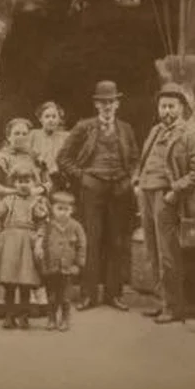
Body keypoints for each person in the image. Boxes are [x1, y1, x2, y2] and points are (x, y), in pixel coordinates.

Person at [57, 80, 139, 311]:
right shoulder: (84, 127)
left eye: (111, 101)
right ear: (96, 104)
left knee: (116, 241)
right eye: (103, 102)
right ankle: (88, 295)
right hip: (92, 189)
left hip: (119, 190)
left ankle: (114, 294)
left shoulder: (126, 129)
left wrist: (130, 179)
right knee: (90, 241)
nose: (107, 106)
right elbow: (63, 158)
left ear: (117, 104)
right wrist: (82, 177)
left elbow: (135, 158)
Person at [133, 82, 195, 324]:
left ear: (182, 108)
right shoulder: (155, 131)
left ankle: (174, 308)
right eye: (163, 106)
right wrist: (137, 182)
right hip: (146, 194)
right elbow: (144, 161)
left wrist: (175, 192)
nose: (167, 111)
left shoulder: (190, 134)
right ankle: (161, 301)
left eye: (172, 106)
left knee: (168, 254)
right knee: (152, 251)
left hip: (166, 197)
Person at [0, 117, 50, 311]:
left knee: (33, 254)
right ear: (8, 136)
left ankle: (33, 305)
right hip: (6, 207)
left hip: (32, 208)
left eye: (24, 134)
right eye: (16, 133)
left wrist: (40, 190)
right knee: (1, 253)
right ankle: (1, 303)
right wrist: (14, 192)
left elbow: (48, 181)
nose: (20, 137)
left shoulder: (36, 157)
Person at [0, 162, 49, 329]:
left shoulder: (36, 201)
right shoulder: (8, 200)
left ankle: (24, 316)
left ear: (33, 182)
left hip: (28, 242)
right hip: (9, 242)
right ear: (14, 182)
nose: (23, 184)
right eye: (19, 180)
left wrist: (39, 242)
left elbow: (42, 223)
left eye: (27, 180)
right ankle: (9, 315)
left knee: (26, 281)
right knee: (9, 282)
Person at [35, 190, 87, 331]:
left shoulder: (76, 226)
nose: (63, 213)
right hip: (50, 267)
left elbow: (82, 246)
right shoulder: (48, 225)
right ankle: (51, 319)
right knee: (51, 297)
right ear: (52, 209)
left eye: (66, 209)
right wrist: (42, 262)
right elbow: (42, 245)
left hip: (67, 268)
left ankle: (65, 319)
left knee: (65, 298)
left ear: (72, 210)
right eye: (59, 209)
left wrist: (78, 264)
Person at [29, 101, 69, 190]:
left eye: (54, 117)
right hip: (37, 178)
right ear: (40, 119)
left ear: (59, 119)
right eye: (47, 117)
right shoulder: (33, 135)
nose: (51, 120)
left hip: (58, 180)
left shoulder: (65, 137)